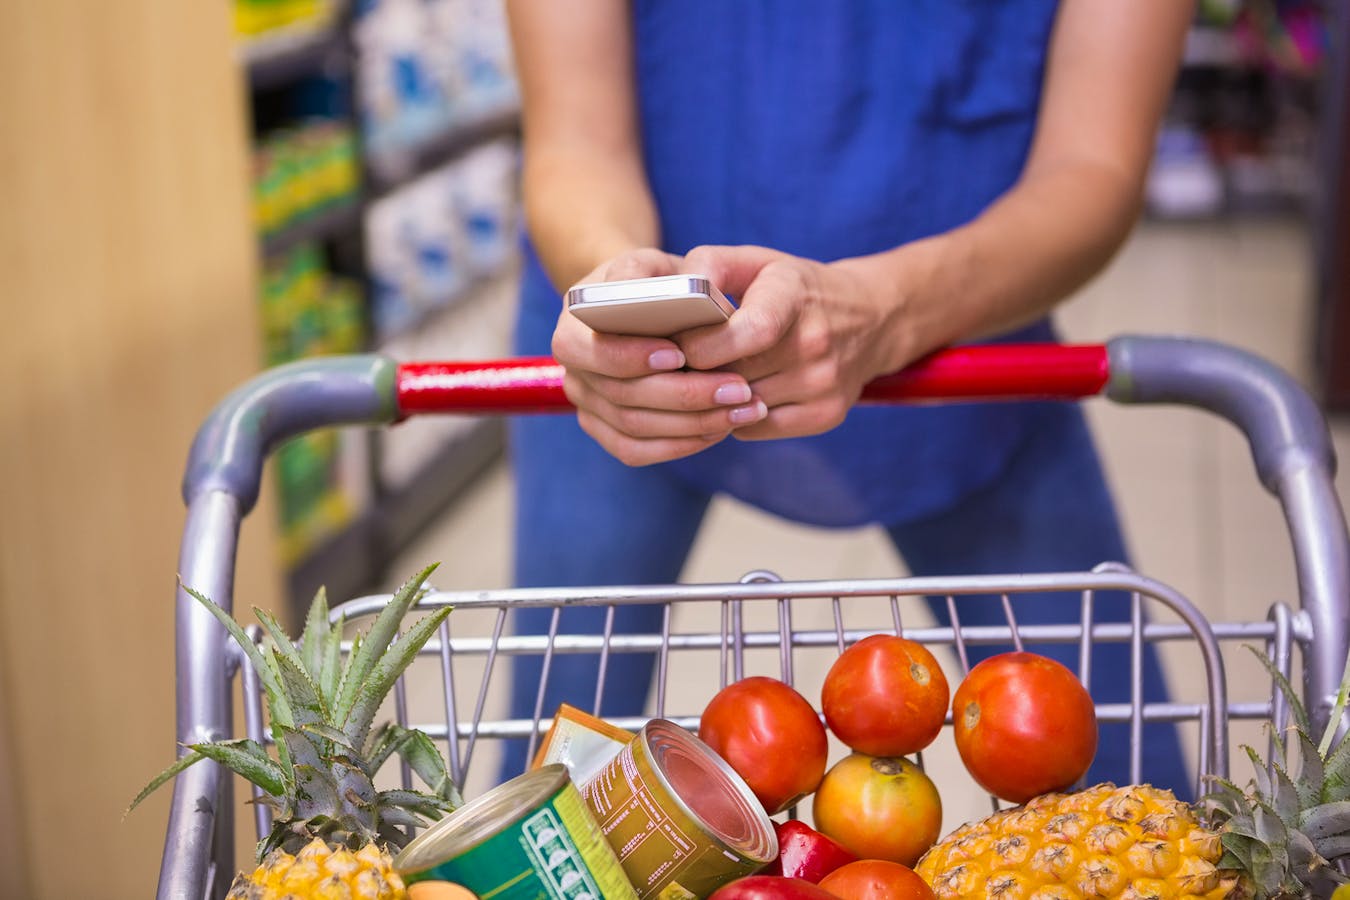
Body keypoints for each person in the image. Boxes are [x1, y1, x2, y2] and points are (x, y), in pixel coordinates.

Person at [499, 0, 1197, 795]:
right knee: (547, 790)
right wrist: (618, 292)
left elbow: (1095, 168)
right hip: (630, 369)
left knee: (1128, 778)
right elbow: (574, 140)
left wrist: (890, 310)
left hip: (967, 345)